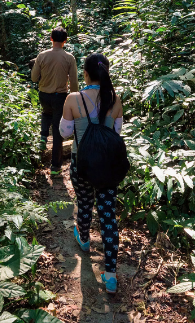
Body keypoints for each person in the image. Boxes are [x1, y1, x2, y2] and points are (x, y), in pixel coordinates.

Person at [59, 53, 124, 294]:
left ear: (84, 74)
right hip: (108, 166)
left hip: (81, 164)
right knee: (108, 214)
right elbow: (116, 132)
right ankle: (110, 275)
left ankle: (84, 240)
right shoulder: (115, 99)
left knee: (85, 202)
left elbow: (65, 133)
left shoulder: (73, 99)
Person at [31, 26, 79, 175]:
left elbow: (33, 78)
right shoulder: (69, 58)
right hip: (60, 97)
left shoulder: (42, 55)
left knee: (46, 113)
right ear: (65, 40)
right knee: (58, 132)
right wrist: (74, 97)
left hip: (44, 94)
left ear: (51, 39)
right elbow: (74, 83)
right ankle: (55, 167)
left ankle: (43, 136)